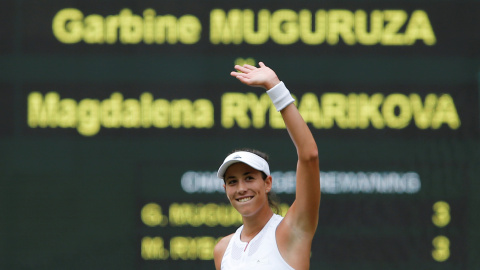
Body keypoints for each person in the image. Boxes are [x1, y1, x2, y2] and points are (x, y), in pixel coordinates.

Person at [213, 62, 320, 270]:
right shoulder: (222, 249)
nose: (241, 188)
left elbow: (309, 156)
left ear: (267, 183)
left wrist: (274, 86)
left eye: (249, 177)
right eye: (232, 181)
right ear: (226, 190)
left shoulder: (292, 231)